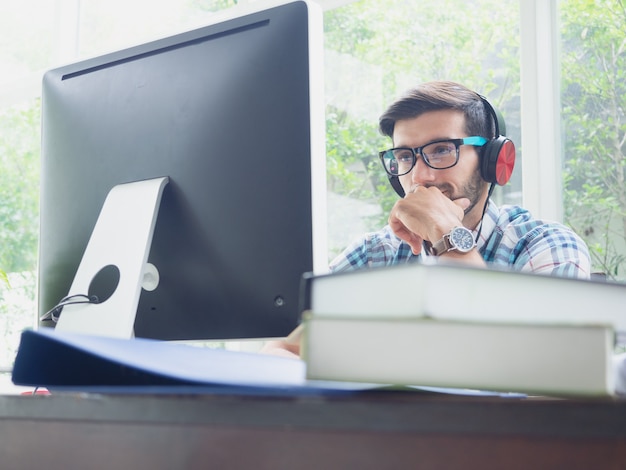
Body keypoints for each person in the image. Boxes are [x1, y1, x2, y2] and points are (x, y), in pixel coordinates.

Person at [262, 80, 590, 358]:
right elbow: (285, 353)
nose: (420, 177)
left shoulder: (547, 245)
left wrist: (446, 231)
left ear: (493, 160)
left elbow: (528, 363)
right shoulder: (374, 253)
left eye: (442, 150)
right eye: (405, 156)